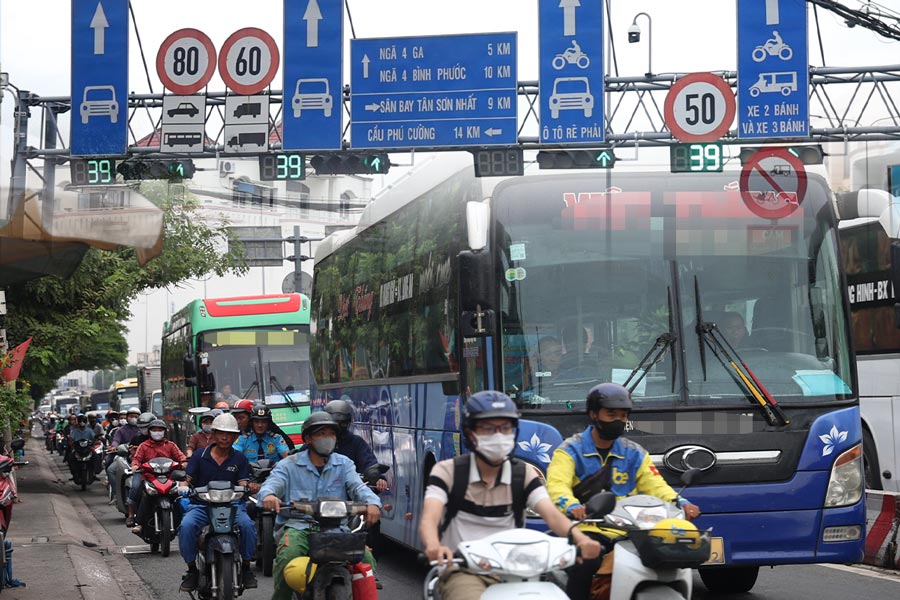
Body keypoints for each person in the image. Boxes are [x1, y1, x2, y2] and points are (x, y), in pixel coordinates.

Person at [419, 391, 601, 600]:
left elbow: (552, 515)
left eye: (505, 428)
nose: (498, 435)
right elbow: (429, 520)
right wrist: (434, 546)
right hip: (464, 572)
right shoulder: (447, 472)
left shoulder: (523, 474)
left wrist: (581, 539)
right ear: (470, 433)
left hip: (516, 571)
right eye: (488, 428)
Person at [546, 383, 702, 600]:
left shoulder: (634, 453)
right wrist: (573, 507)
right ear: (593, 414)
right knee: (585, 561)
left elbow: (656, 486)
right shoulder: (570, 450)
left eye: (623, 415)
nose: (618, 420)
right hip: (589, 528)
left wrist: (681, 502)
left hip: (633, 532)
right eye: (611, 414)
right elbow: (557, 486)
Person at [259, 412, 382, 600]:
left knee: (365, 559)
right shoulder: (288, 465)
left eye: (331, 434)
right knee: (288, 557)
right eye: (321, 434)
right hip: (298, 528)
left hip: (337, 528)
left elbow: (358, 487)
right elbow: (272, 484)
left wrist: (372, 503)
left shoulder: (344, 464)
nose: (328, 439)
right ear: (308, 438)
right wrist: (269, 495)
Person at [178, 413, 257, 592]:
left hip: (232, 505)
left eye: (229, 434)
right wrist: (182, 487)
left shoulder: (240, 458)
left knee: (246, 525)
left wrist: (248, 487)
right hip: (202, 505)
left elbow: (243, 482)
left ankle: (245, 568)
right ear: (213, 434)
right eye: (221, 432)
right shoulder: (199, 456)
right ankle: (192, 570)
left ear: (235, 436)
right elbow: (187, 479)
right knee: (187, 526)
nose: (224, 437)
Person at [130, 420, 187, 535]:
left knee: (178, 495)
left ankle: (182, 521)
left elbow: (181, 457)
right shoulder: (144, 446)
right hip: (149, 477)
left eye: (160, 430)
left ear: (164, 432)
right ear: (149, 432)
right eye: (154, 430)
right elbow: (137, 459)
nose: (157, 432)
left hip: (168, 477)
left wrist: (184, 463)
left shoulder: (171, 445)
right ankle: (139, 522)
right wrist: (135, 465)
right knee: (140, 492)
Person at [323, 399, 388, 492]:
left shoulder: (356, 443)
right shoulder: (311, 448)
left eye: (343, 423)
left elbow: (369, 464)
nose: (337, 429)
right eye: (320, 434)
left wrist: (376, 478)